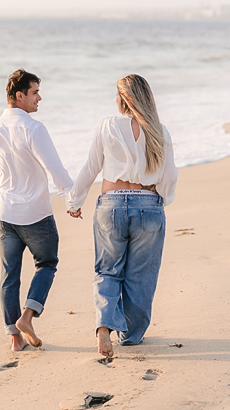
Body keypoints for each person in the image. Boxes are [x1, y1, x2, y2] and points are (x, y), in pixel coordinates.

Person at [66, 74, 178, 357]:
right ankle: (131, 336)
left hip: (111, 206)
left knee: (108, 270)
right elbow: (170, 175)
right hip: (148, 206)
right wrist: (160, 195)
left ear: (123, 99)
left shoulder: (107, 126)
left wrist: (74, 200)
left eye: (116, 95)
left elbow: (91, 167)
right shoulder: (159, 131)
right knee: (141, 274)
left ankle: (104, 326)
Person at [0, 68, 74, 351]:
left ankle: (15, 339)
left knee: (9, 275)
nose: (40, 98)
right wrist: (72, 197)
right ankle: (27, 316)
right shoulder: (34, 128)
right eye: (35, 92)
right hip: (35, 214)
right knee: (47, 264)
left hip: (5, 215)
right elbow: (55, 168)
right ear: (19, 96)